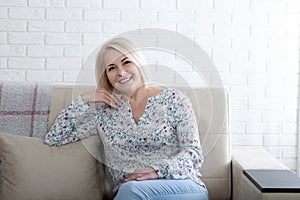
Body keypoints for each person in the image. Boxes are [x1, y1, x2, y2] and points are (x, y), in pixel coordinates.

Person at [44, 37, 209, 200]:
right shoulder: (103, 115)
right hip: (130, 192)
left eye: (126, 62)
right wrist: (83, 99)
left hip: (180, 186)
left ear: (138, 62)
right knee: (131, 190)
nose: (121, 72)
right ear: (106, 76)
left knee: (132, 190)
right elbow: (54, 138)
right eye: (111, 68)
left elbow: (193, 154)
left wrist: (157, 171)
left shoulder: (175, 100)